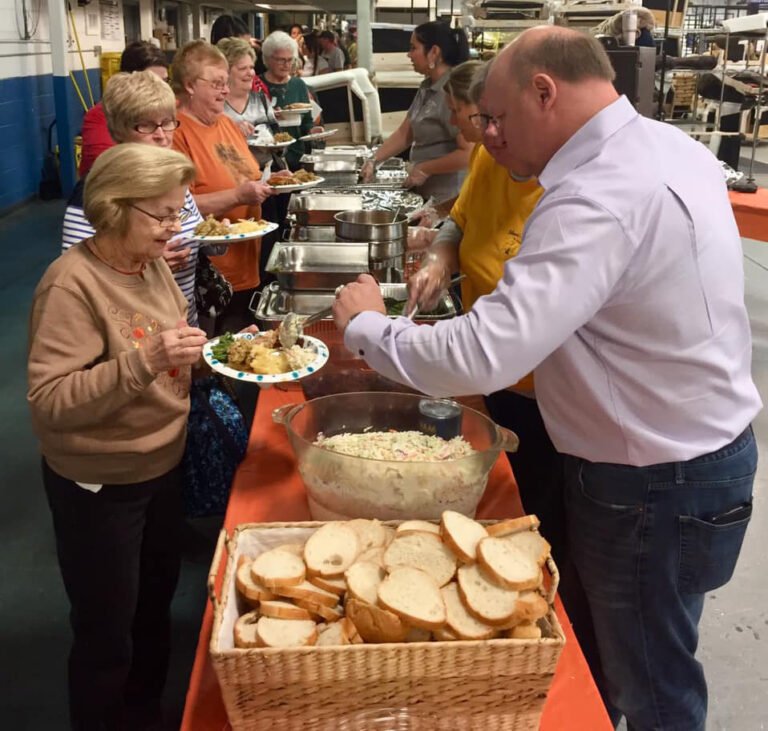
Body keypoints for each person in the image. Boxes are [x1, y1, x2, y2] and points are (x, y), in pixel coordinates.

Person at [333, 27, 761, 731]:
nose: (490, 136)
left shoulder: (597, 193)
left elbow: (488, 351)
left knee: (653, 681)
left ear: (545, 91)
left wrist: (369, 328)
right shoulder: (664, 147)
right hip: (688, 460)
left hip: (652, 481)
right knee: (628, 660)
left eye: (496, 117)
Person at [28, 143, 208, 731]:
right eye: (161, 214)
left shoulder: (149, 262)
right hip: (100, 485)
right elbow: (51, 402)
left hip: (161, 466)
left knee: (151, 612)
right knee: (107, 636)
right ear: (112, 208)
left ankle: (145, 714)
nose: (174, 227)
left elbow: (168, 351)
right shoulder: (70, 286)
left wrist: (211, 355)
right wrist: (146, 359)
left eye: (177, 210)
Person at [406, 60, 564, 560]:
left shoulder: (560, 189)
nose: (468, 130)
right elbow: (459, 223)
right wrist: (436, 259)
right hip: (497, 379)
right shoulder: (488, 160)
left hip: (552, 394)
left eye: (470, 117)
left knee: (541, 516)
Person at [61, 70, 220, 330]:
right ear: (118, 131)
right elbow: (79, 278)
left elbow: (197, 234)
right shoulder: (95, 191)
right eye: (146, 125)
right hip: (131, 335)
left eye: (168, 121)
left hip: (182, 322)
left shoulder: (172, 180)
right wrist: (148, 265)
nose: (162, 134)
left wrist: (220, 237)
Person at [171, 40, 274, 333]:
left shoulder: (226, 124)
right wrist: (238, 195)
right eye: (217, 84)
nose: (226, 91)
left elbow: (248, 175)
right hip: (213, 273)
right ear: (190, 85)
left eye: (225, 82)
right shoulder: (177, 133)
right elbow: (181, 206)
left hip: (246, 263)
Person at [360, 20, 473, 201]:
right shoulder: (427, 87)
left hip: (450, 197)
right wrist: (374, 159)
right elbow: (406, 132)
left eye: (413, 48)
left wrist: (426, 168)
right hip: (428, 194)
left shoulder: (452, 90)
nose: (409, 55)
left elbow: (468, 153)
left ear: (434, 52)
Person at [78, 41, 169, 177]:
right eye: (152, 81)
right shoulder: (101, 115)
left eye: (165, 82)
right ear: (129, 81)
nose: (161, 89)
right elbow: (108, 168)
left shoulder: (165, 113)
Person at [261, 31, 323, 170]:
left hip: (296, 158)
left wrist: (313, 131)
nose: (286, 64)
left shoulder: (298, 85)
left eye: (290, 60)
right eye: (280, 60)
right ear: (267, 59)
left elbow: (306, 121)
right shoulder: (257, 85)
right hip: (266, 161)